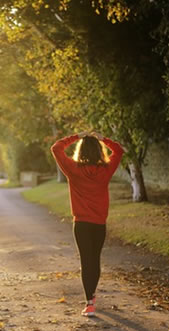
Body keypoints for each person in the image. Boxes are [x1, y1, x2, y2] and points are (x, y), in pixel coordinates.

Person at [51, 131, 124, 317]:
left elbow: (56, 148)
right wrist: (103, 138)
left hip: (81, 224)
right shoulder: (105, 170)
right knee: (95, 259)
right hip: (99, 223)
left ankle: (89, 302)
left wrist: (76, 136)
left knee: (86, 261)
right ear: (99, 151)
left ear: (80, 150)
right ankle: (92, 296)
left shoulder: (73, 169)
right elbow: (119, 150)